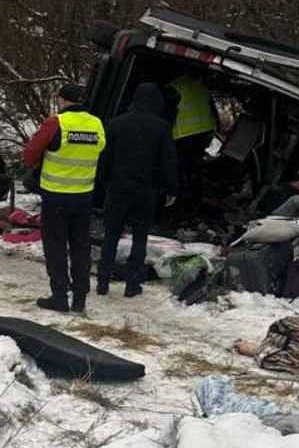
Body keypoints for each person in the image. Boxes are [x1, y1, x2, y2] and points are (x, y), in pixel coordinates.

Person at [23, 83, 106, 313]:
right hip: (83, 197)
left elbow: (29, 155)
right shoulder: (96, 123)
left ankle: (59, 297)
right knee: (81, 247)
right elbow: (100, 150)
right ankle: (80, 299)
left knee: (56, 246)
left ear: (62, 100)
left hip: (56, 196)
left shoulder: (55, 122)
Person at [96, 83, 179, 298]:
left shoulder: (115, 124)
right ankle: (132, 284)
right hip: (145, 191)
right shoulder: (162, 127)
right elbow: (168, 161)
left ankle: (102, 282)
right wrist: (171, 189)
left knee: (111, 236)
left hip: (118, 189)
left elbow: (104, 157)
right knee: (140, 238)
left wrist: (104, 182)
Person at [169, 72, 218, 209]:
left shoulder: (174, 86)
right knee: (194, 166)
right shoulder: (201, 87)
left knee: (181, 167)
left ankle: (180, 199)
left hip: (183, 135)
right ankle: (195, 197)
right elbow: (213, 110)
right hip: (204, 132)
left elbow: (168, 113)